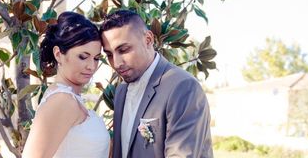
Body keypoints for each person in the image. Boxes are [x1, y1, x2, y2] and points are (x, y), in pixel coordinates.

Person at [101, 9, 213, 158]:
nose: (116, 63)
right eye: (109, 54)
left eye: (123, 50)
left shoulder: (183, 87)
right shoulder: (121, 91)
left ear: (148, 40)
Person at [22, 11, 110, 158]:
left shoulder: (70, 99)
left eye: (96, 58)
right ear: (58, 54)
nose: (91, 66)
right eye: (83, 57)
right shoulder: (62, 100)